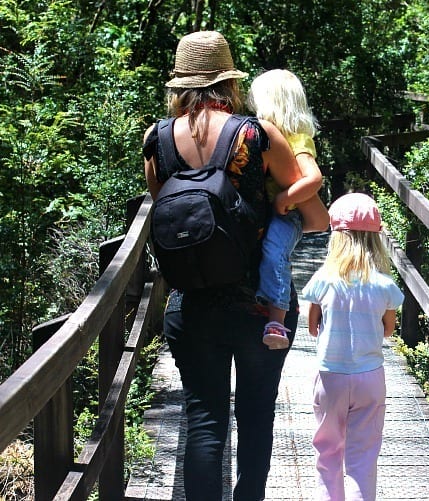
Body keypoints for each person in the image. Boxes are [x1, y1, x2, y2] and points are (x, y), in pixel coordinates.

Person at [143, 30, 302, 501]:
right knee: (256, 418)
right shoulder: (255, 133)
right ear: (229, 82)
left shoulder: (157, 140)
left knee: (204, 421)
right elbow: (295, 198)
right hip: (259, 304)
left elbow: (166, 211)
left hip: (191, 304)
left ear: (180, 86)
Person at [301, 193, 404, 501]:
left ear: (337, 236)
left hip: (331, 377)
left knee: (328, 452)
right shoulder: (384, 284)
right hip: (370, 378)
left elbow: (310, 326)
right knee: (363, 455)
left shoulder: (324, 279)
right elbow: (388, 330)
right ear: (375, 239)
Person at [247, 69, 330, 349]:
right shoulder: (262, 135)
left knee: (274, 253)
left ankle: (277, 320)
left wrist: (284, 198)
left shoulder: (297, 139)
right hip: (272, 211)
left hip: (288, 214)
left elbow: (313, 178)